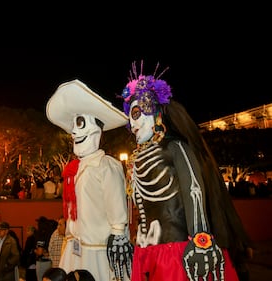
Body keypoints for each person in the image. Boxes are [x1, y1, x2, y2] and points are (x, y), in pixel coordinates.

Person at [120, 61, 253, 281]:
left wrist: (201, 238)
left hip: (178, 251)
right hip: (146, 251)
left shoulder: (176, 146)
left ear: (154, 111)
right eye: (129, 117)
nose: (131, 123)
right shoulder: (140, 157)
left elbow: (194, 189)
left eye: (136, 113)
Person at [46, 79, 133, 281]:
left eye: (80, 123)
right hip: (74, 251)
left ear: (97, 129)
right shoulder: (74, 169)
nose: (74, 132)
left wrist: (118, 241)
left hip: (98, 254)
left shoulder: (106, 165)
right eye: (73, 126)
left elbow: (117, 212)